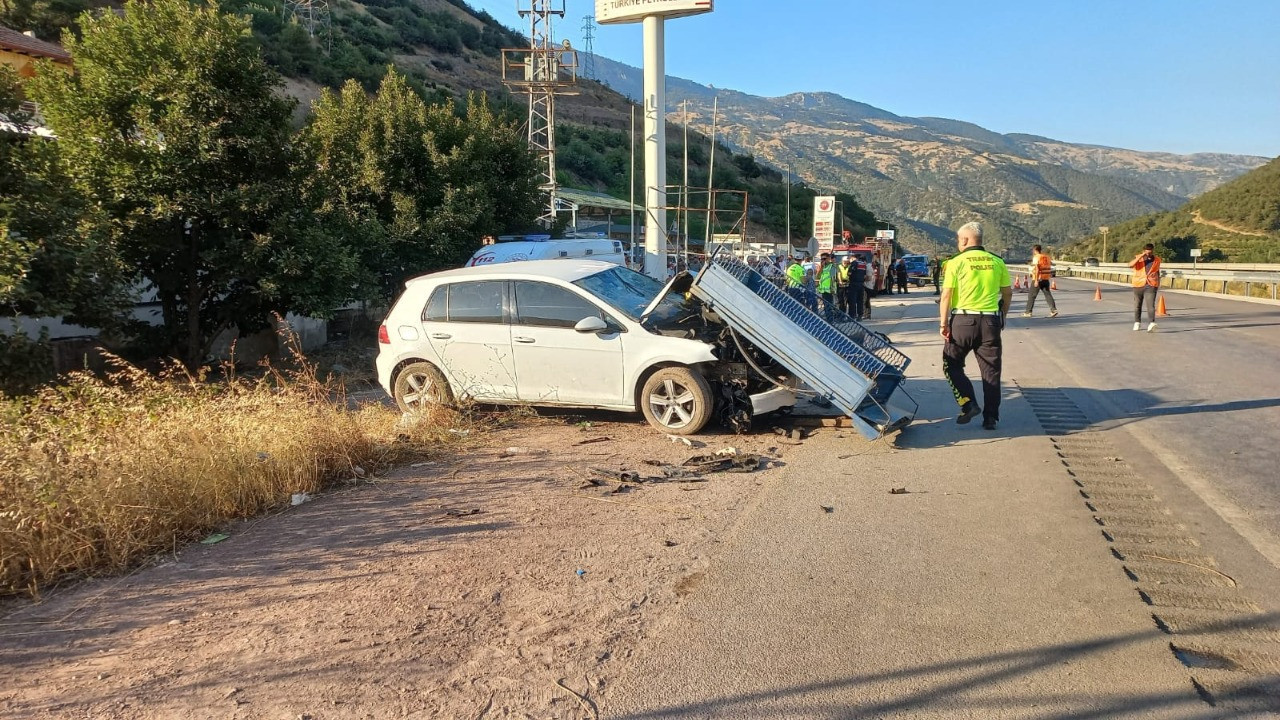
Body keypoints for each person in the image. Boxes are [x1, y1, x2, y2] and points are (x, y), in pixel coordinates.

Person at [939, 221, 1012, 431]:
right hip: (990, 321)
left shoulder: (956, 262)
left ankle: (968, 403)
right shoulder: (997, 261)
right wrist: (1002, 316)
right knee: (991, 372)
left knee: (951, 364)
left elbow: (946, 295)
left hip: (962, 321)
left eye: (957, 239)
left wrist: (943, 323)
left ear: (964, 240)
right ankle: (991, 418)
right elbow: (1007, 293)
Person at [1022, 244, 1059, 318]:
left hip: (1038, 279)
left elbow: (1037, 269)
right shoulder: (1047, 257)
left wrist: (1036, 280)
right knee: (1048, 295)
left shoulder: (1036, 257)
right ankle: (1053, 310)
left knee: (1031, 296)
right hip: (1046, 278)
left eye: (1033, 250)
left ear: (1035, 250)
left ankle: (1028, 312)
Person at [1130, 243, 1161, 332]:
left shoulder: (1157, 260)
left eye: (1150, 252)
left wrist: (1158, 283)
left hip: (1150, 285)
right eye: (1146, 252)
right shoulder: (1138, 259)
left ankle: (1152, 323)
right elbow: (1130, 265)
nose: (1148, 254)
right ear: (1144, 251)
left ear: (1152, 251)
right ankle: (1137, 322)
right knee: (1137, 305)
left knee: (1150, 305)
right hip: (1138, 284)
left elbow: (1157, 271)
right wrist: (1140, 257)